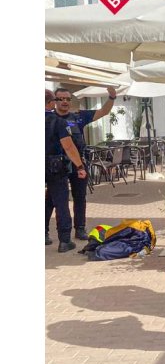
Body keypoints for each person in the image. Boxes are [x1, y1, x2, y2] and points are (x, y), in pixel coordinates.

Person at [51, 86, 116, 241]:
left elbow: (103, 112)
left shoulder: (78, 117)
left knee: (80, 197)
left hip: (78, 162)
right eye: (61, 99)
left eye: (68, 99)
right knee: (53, 199)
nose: (65, 102)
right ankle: (45, 232)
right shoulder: (49, 119)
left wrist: (112, 97)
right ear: (55, 101)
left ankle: (80, 229)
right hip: (56, 164)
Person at [45, 90, 88, 252]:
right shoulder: (58, 122)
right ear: (51, 102)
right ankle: (65, 240)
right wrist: (80, 166)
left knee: (48, 200)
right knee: (61, 202)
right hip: (54, 166)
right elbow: (69, 146)